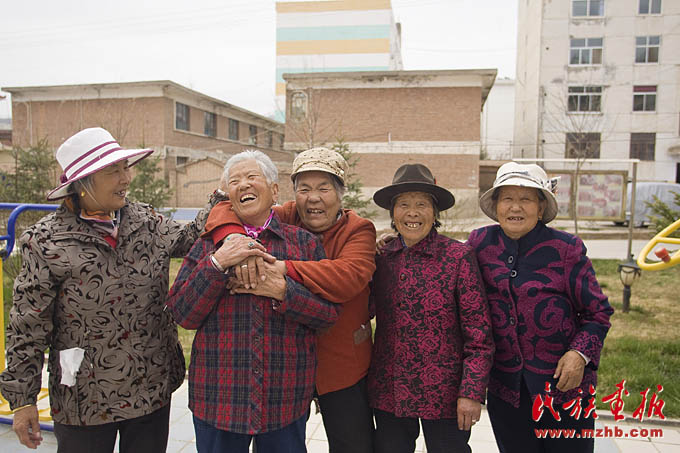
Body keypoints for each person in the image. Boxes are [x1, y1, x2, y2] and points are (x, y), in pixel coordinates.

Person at [0, 127, 235, 452]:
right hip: (83, 398)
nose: (126, 178)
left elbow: (191, 238)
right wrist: (23, 400)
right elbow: (28, 327)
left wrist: (222, 195)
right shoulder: (46, 242)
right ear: (82, 183)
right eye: (113, 171)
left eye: (126, 168)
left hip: (150, 386)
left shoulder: (145, 222)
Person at [165, 150, 340, 453]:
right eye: (234, 181)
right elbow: (183, 314)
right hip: (219, 400)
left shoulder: (304, 244)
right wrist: (217, 263)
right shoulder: (208, 244)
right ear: (228, 197)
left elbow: (327, 316)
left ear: (274, 190)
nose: (243, 185)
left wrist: (283, 292)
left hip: (284, 399)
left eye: (251, 177)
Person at [207, 147, 377, 453]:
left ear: (340, 194)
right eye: (304, 189)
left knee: (352, 444)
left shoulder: (358, 229)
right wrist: (233, 236)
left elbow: (348, 277)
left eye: (324, 188)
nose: (313, 198)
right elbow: (225, 209)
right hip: (285, 368)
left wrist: (283, 267)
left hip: (340, 364)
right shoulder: (286, 215)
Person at [467, 162, 614, 453]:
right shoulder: (480, 242)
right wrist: (396, 243)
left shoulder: (566, 248)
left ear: (541, 206)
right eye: (507, 198)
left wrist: (579, 354)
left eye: (526, 199)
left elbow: (598, 313)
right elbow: (447, 265)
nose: (515, 207)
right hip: (506, 389)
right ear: (496, 206)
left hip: (563, 389)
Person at [369, 163, 494, 453]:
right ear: (392, 213)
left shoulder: (458, 257)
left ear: (435, 213)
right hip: (390, 389)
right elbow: (363, 310)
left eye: (422, 204)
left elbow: (479, 335)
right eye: (403, 204)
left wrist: (472, 392)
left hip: (445, 393)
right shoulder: (382, 258)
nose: (412, 213)